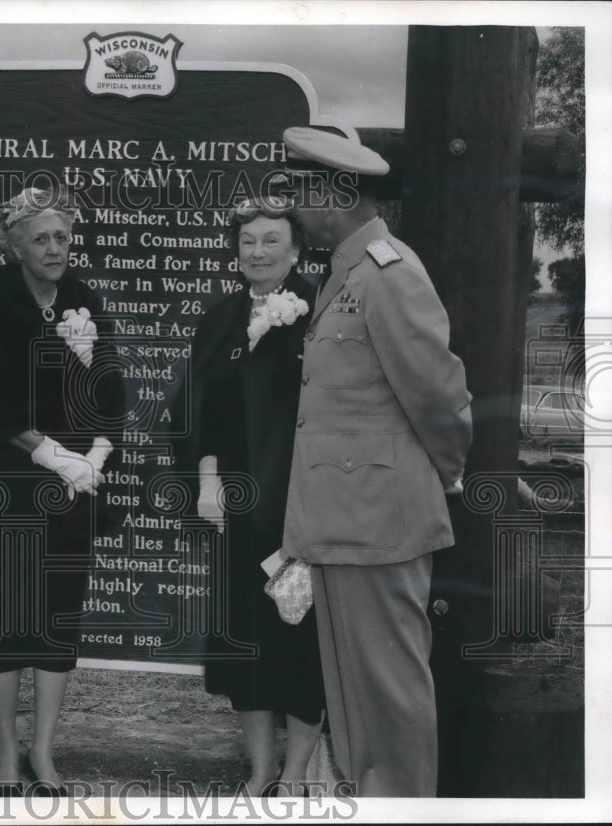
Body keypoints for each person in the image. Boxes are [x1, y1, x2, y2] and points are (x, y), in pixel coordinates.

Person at [279, 126, 473, 797]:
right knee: (357, 703)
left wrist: (440, 474)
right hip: (345, 522)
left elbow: (441, 398)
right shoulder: (350, 273)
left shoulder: (389, 274)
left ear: (335, 194)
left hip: (379, 522)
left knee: (388, 701)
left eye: (301, 193)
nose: (293, 211)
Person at [0, 186, 124, 794]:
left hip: (73, 492)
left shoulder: (82, 298)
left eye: (62, 236)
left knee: (59, 615)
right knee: (8, 619)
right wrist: (54, 456)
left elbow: (110, 387)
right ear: (13, 245)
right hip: (8, 484)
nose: (55, 248)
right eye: (41, 238)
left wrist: (97, 455)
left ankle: (42, 752)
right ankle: (6, 751)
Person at [190, 196, 326, 797]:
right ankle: (261, 768)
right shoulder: (218, 319)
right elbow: (200, 409)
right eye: (247, 241)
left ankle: (296, 772)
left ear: (296, 248)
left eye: (271, 240)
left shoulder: (322, 312)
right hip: (237, 511)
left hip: (302, 506)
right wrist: (208, 479)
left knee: (298, 638)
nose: (257, 252)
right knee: (243, 638)